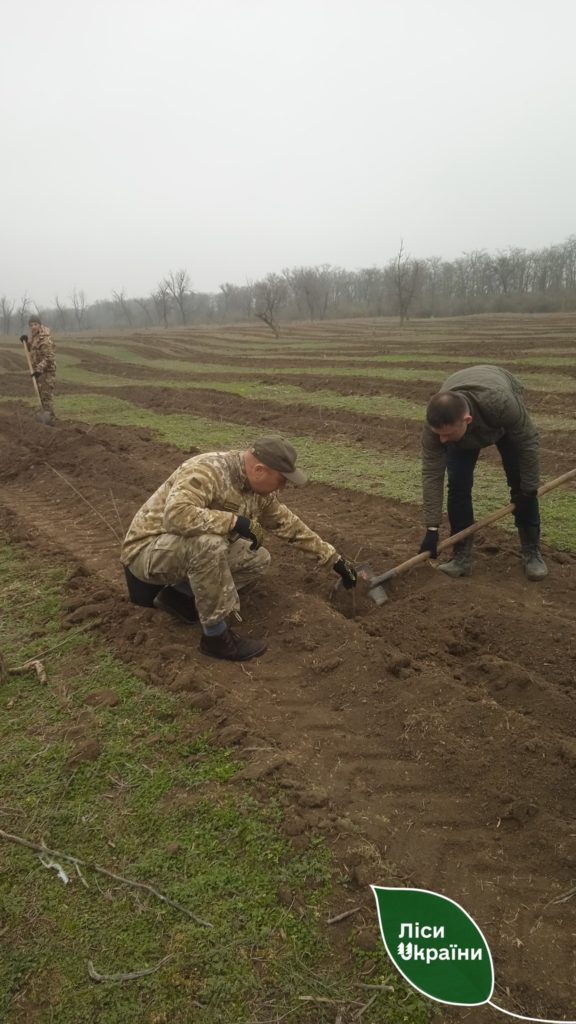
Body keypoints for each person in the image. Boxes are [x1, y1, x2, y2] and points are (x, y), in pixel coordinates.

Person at [121, 436, 357, 661]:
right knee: (209, 544)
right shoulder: (208, 470)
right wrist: (234, 522)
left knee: (257, 557)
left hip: (178, 552)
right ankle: (216, 638)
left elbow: (289, 525)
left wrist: (334, 560)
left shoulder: (258, 492)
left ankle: (179, 598)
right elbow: (176, 516)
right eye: (282, 479)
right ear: (259, 470)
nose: (283, 487)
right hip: (147, 552)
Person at [418, 364, 547, 581]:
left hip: (502, 422)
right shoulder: (437, 426)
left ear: (466, 421)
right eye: (438, 435)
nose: (442, 440)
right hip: (465, 429)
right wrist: (432, 527)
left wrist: (530, 490)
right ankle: (461, 556)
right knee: (458, 486)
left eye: (446, 435)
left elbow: (528, 442)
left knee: (520, 481)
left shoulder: (501, 404)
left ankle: (531, 551)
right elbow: (432, 473)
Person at [20, 315, 56, 422]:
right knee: (41, 396)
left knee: (46, 397)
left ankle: (50, 421)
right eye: (31, 325)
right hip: (39, 372)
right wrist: (26, 342)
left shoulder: (45, 338)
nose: (33, 327)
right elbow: (32, 349)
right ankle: (45, 419)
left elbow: (49, 357)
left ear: (40, 325)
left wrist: (39, 369)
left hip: (46, 372)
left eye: (35, 324)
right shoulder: (36, 337)